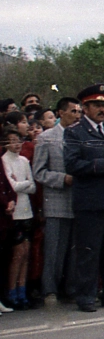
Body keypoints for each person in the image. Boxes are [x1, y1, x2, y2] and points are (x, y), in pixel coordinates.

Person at [63, 84, 104, 311]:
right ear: (85, 107)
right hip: (91, 201)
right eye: (97, 105)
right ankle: (86, 295)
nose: (102, 109)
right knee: (89, 251)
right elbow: (72, 164)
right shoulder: (74, 132)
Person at [32, 96, 79, 303]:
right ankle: (49, 289)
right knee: (54, 249)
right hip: (57, 201)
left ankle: (71, 287)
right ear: (61, 113)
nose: (77, 115)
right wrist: (62, 179)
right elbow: (39, 172)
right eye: (73, 111)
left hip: (79, 201)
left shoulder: (80, 136)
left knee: (75, 249)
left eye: (79, 112)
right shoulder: (47, 137)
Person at [3, 126, 36, 308]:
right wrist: (22, 184)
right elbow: (12, 186)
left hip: (26, 209)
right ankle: (12, 291)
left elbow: (32, 186)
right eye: (12, 141)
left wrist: (20, 183)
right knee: (17, 253)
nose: (16, 144)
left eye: (18, 140)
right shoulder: (4, 161)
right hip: (15, 212)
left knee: (26, 252)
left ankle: (22, 291)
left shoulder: (23, 160)